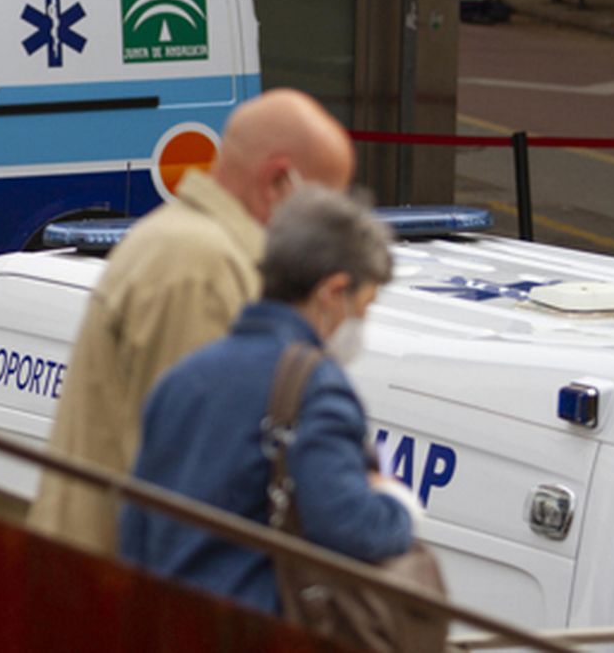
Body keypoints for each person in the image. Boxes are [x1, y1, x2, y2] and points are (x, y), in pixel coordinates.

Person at [27, 88, 354, 555]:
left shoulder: (188, 246)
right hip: (129, 598)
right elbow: (196, 475)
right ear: (279, 181)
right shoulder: (201, 266)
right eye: (327, 210)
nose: (328, 233)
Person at [119, 186, 419, 614]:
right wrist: (397, 506)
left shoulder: (182, 377)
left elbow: (135, 530)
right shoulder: (317, 387)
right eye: (365, 304)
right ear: (333, 292)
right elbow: (351, 527)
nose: (362, 323)